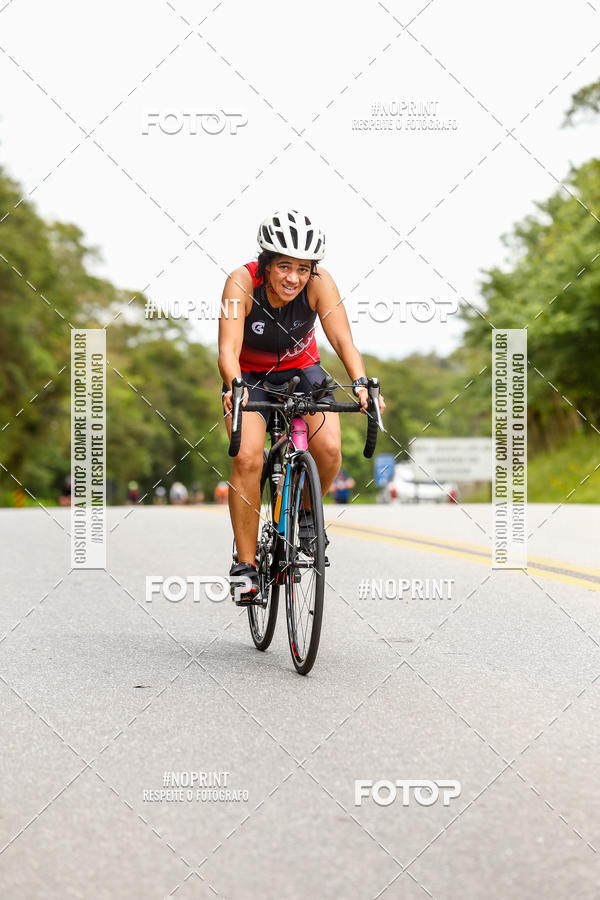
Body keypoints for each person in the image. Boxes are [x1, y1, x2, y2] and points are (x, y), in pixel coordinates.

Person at [219, 210, 385, 604]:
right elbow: (227, 348)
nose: (294, 277)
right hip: (249, 376)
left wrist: (361, 383)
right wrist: (233, 386)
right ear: (267, 264)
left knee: (327, 450)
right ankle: (245, 567)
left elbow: (344, 341)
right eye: (284, 267)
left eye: (303, 268)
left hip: (302, 371)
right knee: (247, 460)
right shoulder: (240, 283)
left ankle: (306, 515)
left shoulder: (320, 284)